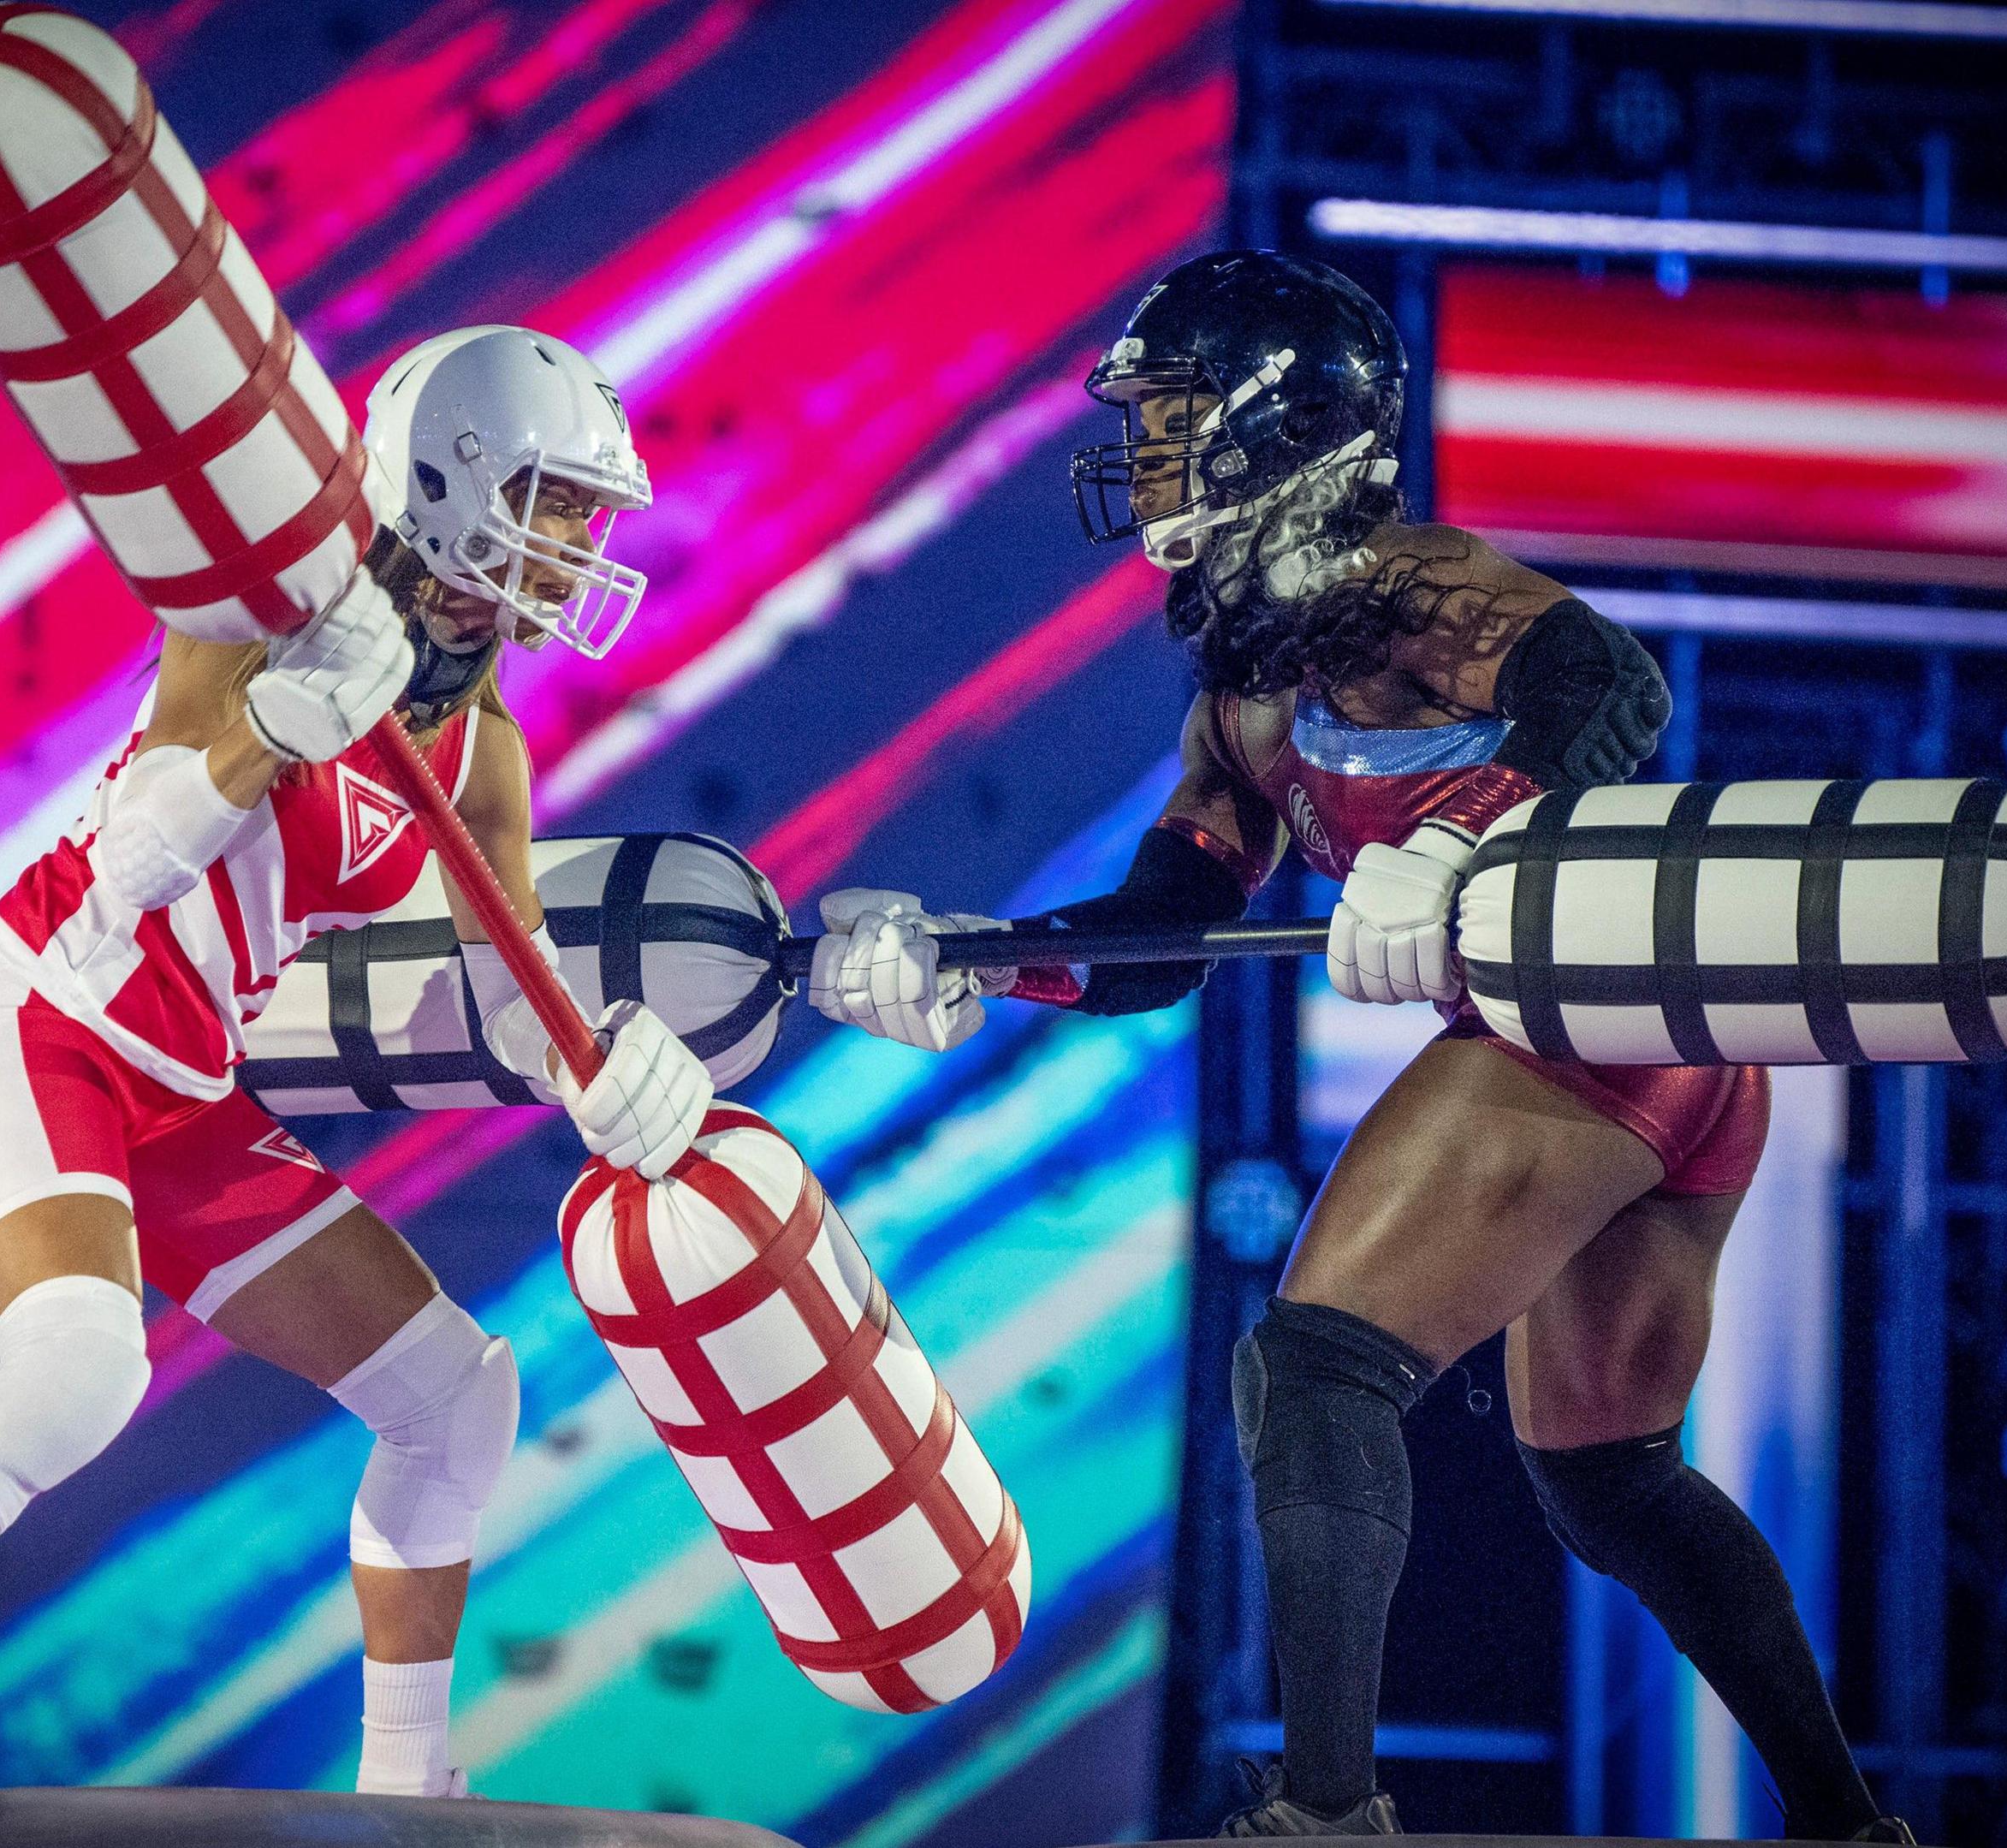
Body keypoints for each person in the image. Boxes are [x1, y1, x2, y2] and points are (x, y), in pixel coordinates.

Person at [805, 253, 1909, 1843]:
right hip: (1673, 1046)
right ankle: (1850, 1831)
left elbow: (1612, 687)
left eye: (1180, 423)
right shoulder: (1241, 699)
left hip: (1590, 1017)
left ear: (1281, 432)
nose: (1150, 463)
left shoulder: (1401, 591)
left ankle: (1328, 1822)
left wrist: (1466, 838)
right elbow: (1161, 940)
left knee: (1316, 1370)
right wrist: (968, 961)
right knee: (1608, 1481)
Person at [0, 325, 708, 1798]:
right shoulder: (265, 609)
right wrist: (266, 728)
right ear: (458, 479)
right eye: (560, 502)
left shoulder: (480, 747)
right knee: (75, 1373)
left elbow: (510, 994)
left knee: (460, 1395)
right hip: (42, 1019)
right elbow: (127, 868)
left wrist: (609, 1069)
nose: (581, 549)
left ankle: (406, 1793)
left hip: (184, 1089)